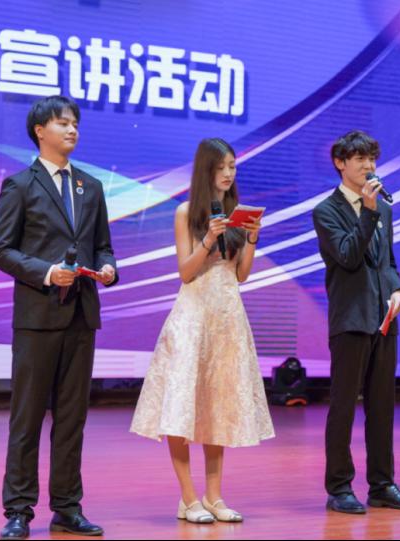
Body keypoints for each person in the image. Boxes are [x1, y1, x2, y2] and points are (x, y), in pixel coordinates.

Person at [0, 95, 118, 539]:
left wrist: (108, 267)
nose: (72, 129)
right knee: (27, 417)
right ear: (40, 130)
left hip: (82, 315)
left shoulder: (90, 186)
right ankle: (18, 510)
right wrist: (46, 272)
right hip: (37, 316)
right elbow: (1, 251)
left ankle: (67, 507)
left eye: (75, 123)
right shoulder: (20, 185)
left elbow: (103, 246)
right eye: (63, 123)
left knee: (71, 418)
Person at [130, 138, 274, 523]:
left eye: (232, 167)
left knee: (217, 405)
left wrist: (252, 236)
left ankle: (214, 497)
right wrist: (209, 239)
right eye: (221, 167)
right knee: (181, 406)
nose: (228, 174)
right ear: (205, 169)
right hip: (193, 317)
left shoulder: (236, 214)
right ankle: (188, 498)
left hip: (227, 319)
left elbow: (241, 275)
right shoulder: (185, 213)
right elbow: (186, 272)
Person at [312, 130, 400, 514]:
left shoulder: (382, 210)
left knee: (382, 407)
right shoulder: (327, 210)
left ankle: (382, 484)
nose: (369, 166)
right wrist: (368, 212)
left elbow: (387, 261)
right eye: (360, 159)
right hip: (351, 319)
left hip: (383, 319)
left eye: (372, 159)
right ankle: (339, 488)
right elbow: (348, 256)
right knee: (343, 407)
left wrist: (397, 289)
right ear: (340, 163)